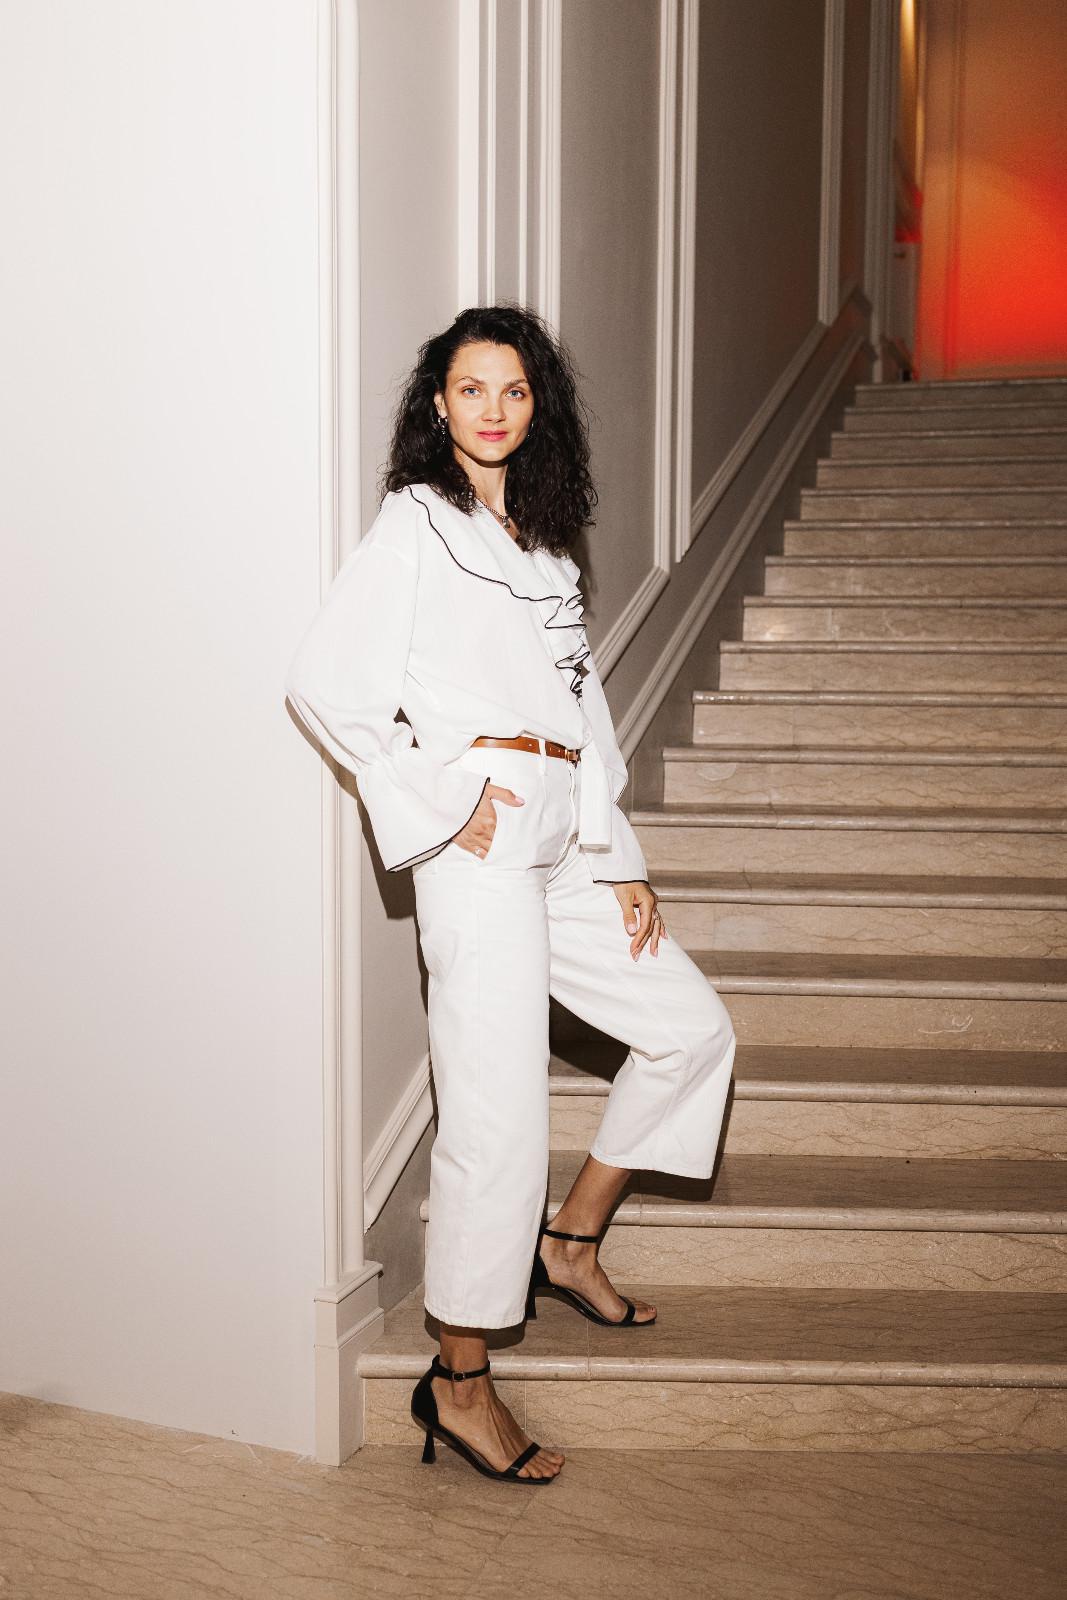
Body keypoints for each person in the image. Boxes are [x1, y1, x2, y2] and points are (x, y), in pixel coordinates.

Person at [285, 304, 735, 1483]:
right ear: (438, 405)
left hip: (565, 834)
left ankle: (569, 1238)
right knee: (495, 1113)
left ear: (538, 408)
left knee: (689, 1028)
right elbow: (324, 683)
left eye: (514, 390)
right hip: (478, 843)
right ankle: (460, 1379)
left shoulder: (546, 549)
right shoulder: (415, 524)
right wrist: (440, 802)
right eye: (471, 388)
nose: (492, 409)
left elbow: (584, 715)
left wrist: (619, 855)